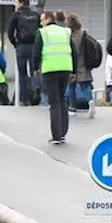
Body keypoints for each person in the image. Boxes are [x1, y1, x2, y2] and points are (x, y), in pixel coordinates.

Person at [33, 9, 78, 144]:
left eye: (42, 20)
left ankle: (56, 135)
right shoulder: (65, 31)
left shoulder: (42, 33)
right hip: (65, 68)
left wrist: (35, 68)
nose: (40, 23)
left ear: (48, 19)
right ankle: (63, 132)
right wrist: (74, 70)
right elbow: (74, 52)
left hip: (50, 69)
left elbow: (36, 52)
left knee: (54, 102)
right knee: (62, 99)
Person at [5, 0, 41, 106]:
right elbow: (40, 31)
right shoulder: (36, 14)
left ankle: (23, 99)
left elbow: (10, 32)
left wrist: (15, 43)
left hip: (21, 46)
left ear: (21, 2)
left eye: (15, 2)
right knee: (34, 71)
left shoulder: (16, 15)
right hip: (34, 46)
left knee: (22, 73)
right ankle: (35, 93)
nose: (14, 5)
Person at [65, 14, 96, 117]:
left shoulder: (68, 35)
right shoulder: (83, 34)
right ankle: (90, 101)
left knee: (71, 86)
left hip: (71, 64)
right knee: (84, 86)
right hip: (84, 64)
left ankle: (72, 107)